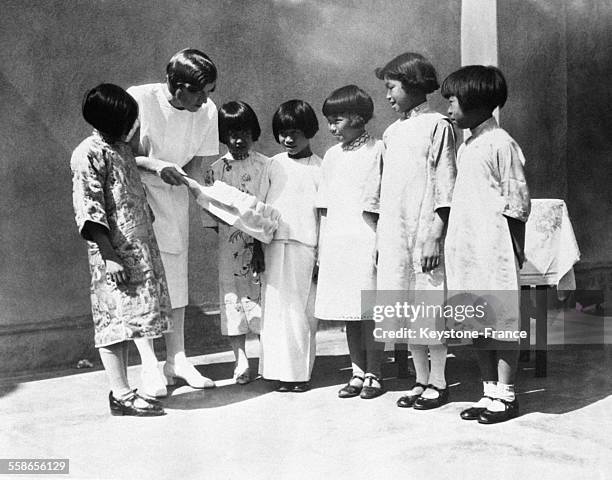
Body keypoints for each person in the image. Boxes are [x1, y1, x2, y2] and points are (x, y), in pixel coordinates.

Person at [70, 83, 170, 416]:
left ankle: (126, 390)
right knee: (113, 323)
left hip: (137, 247)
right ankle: (120, 393)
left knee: (132, 322)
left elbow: (130, 173)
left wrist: (157, 167)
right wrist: (110, 257)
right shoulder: (88, 153)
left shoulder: (120, 147)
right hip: (112, 253)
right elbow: (90, 209)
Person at [441, 65, 530, 424]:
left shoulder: (501, 143)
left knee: (502, 319)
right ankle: (489, 390)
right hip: (468, 247)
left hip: (493, 247)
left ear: (478, 102)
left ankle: (507, 396)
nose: (448, 108)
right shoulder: (468, 145)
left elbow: (517, 200)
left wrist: (515, 247)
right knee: (477, 320)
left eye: (453, 100)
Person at [127, 48, 219, 397]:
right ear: (176, 85)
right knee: (145, 278)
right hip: (136, 192)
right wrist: (155, 166)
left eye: (209, 91)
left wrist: (208, 204)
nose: (206, 100)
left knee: (175, 277)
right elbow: (118, 151)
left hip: (176, 195)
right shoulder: (139, 99)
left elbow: (197, 165)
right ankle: (149, 362)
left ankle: (177, 359)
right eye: (199, 92)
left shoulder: (206, 110)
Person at [374, 53, 457, 410]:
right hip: (396, 231)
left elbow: (446, 183)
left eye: (392, 87)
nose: (388, 95)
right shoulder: (391, 133)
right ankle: (420, 380)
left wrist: (435, 233)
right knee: (406, 307)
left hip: (425, 231)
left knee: (428, 304)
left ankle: (439, 381)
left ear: (411, 84)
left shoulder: (438, 125)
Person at [315, 85, 385, 399]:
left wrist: (382, 240)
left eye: (338, 119)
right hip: (338, 239)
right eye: (329, 120)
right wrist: (322, 246)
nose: (332, 127)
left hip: (366, 237)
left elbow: (384, 200)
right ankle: (357, 372)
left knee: (369, 312)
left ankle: (375, 373)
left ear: (358, 116)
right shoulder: (331, 156)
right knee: (349, 312)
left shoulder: (379, 149)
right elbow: (325, 204)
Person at [202, 101, 271, 384]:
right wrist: (237, 241)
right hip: (230, 247)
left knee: (264, 298)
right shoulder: (214, 171)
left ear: (253, 131)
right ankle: (240, 359)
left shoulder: (266, 166)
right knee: (233, 299)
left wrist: (257, 243)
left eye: (243, 131)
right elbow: (211, 215)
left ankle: (269, 357)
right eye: (231, 133)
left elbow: (269, 206)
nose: (238, 139)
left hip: (264, 245)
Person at [259, 100, 322, 393]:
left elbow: (324, 215)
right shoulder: (272, 165)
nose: (288, 139)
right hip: (273, 245)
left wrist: (322, 254)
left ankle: (299, 374)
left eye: (295, 132)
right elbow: (259, 209)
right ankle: (277, 372)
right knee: (275, 311)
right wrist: (259, 247)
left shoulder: (320, 168)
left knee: (300, 312)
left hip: (305, 246)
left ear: (309, 131)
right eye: (283, 132)